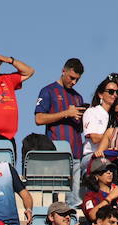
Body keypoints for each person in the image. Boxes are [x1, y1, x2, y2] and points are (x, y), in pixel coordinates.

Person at [33, 58, 87, 201]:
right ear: (63, 71)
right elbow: (38, 119)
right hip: (56, 153)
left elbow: (79, 127)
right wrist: (66, 113)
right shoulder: (48, 91)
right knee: (54, 200)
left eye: (77, 80)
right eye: (72, 78)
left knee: (74, 201)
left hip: (75, 153)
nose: (74, 82)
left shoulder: (78, 97)